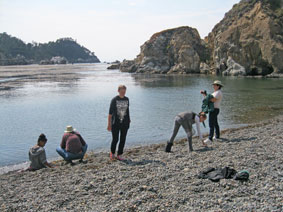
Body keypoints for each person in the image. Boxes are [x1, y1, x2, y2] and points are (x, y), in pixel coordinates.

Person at [107, 85, 130, 161]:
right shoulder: (114, 100)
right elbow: (110, 114)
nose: (123, 92)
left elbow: (127, 110)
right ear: (118, 91)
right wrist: (109, 124)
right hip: (115, 123)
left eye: (124, 91)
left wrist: (129, 120)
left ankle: (119, 154)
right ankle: (112, 153)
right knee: (115, 139)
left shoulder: (127, 99)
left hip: (125, 123)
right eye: (122, 91)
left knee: (123, 139)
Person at [203, 80, 223, 144]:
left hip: (214, 109)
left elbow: (212, 100)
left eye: (214, 85)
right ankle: (217, 136)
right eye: (213, 85)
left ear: (218, 86)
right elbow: (209, 99)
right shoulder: (215, 92)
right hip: (214, 109)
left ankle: (210, 138)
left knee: (211, 124)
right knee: (215, 123)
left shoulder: (218, 93)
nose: (213, 86)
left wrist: (206, 97)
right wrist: (205, 94)